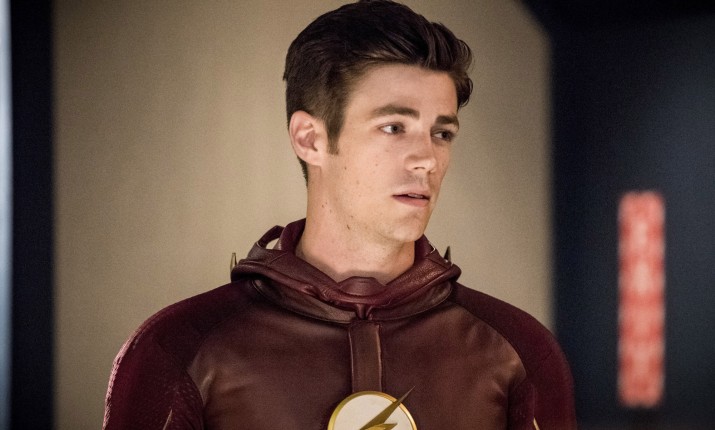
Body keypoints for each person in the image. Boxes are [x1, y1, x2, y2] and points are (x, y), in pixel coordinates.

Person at [102, 1, 576, 429]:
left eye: (442, 133)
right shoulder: (181, 349)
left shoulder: (517, 351)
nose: (427, 160)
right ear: (310, 139)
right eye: (394, 127)